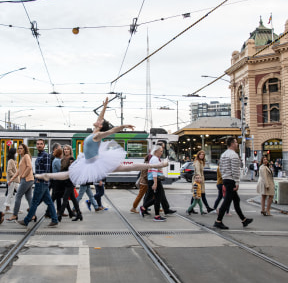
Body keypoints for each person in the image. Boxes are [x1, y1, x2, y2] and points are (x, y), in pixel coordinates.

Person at [34, 97, 167, 184]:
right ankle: (47, 176)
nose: (98, 120)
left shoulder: (97, 135)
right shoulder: (94, 132)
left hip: (96, 162)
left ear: (100, 125)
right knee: (69, 174)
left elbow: (111, 131)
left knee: (128, 167)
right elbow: (101, 118)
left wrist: (123, 126)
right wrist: (104, 106)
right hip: (88, 161)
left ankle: (156, 165)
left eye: (99, 121)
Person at [213, 137, 253, 229]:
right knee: (227, 201)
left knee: (236, 200)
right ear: (232, 144)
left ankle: (244, 219)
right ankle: (218, 221)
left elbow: (221, 168)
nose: (237, 144)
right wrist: (237, 182)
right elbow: (235, 170)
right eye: (235, 142)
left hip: (226, 179)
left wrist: (224, 178)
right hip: (231, 180)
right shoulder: (233, 155)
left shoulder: (223, 155)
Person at [18, 139, 59, 227]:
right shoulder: (39, 155)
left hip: (41, 182)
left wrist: (39, 179)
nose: (39, 145)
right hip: (40, 182)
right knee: (49, 202)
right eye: (37, 144)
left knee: (35, 202)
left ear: (44, 145)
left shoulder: (45, 156)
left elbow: (47, 170)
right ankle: (55, 219)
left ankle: (26, 220)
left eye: (41, 144)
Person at [139, 144, 174, 221]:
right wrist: (155, 183)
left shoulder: (154, 158)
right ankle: (156, 215)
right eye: (161, 151)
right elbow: (154, 171)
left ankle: (144, 207)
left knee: (159, 197)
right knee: (158, 198)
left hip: (154, 180)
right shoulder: (154, 159)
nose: (161, 152)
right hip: (155, 180)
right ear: (156, 151)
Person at [7, 143, 35, 222]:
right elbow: (19, 170)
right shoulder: (22, 157)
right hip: (29, 179)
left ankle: (14, 215)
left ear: (24, 149)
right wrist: (12, 179)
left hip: (26, 180)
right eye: (18, 148)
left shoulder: (26, 156)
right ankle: (33, 215)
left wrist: (23, 175)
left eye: (21, 148)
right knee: (29, 198)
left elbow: (29, 167)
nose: (19, 150)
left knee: (18, 196)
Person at [3, 147, 18, 213]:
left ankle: (16, 207)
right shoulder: (10, 161)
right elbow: (9, 170)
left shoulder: (13, 161)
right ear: (13, 153)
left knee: (18, 193)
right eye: (16, 152)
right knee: (10, 194)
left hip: (15, 180)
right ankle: (7, 208)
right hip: (12, 180)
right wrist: (13, 177)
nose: (17, 153)